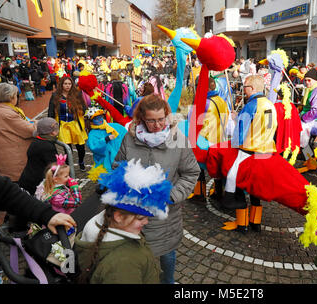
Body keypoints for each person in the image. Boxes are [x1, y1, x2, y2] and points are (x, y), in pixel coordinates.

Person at [114, 94, 200, 284]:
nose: (157, 125)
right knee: (134, 255)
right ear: (141, 119)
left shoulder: (178, 140)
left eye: (161, 119)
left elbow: (191, 173)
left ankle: (167, 281)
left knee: (167, 255)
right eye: (151, 120)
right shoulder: (129, 139)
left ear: (167, 116)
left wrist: (172, 195)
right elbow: (118, 167)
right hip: (134, 212)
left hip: (165, 215)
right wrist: (126, 187)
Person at [74, 161, 172, 284]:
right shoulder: (123, 264)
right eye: (141, 218)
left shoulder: (104, 225)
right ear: (119, 216)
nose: (146, 222)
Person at [220, 75, 278, 232]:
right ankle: (256, 222)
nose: (242, 90)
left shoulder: (251, 105)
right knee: (255, 187)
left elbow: (240, 131)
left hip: (248, 151)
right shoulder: (270, 105)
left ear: (252, 88)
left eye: (244, 87)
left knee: (236, 182)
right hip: (266, 152)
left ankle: (242, 224)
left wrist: (234, 119)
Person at [0, 167, 76, 235]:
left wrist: (46, 214)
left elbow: (3, 191)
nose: (69, 178)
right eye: (66, 176)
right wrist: (75, 188)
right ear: (56, 179)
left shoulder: (49, 188)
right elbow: (76, 202)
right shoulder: (57, 195)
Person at [0, 83, 35, 183]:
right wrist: (40, 123)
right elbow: (29, 130)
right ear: (10, 97)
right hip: (13, 160)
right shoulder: (7, 113)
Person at [48, 76, 88, 171]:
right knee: (67, 148)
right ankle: (68, 166)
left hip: (75, 124)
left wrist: (80, 110)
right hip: (62, 125)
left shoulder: (77, 94)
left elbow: (84, 108)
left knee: (81, 147)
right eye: (65, 84)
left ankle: (81, 161)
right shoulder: (55, 95)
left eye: (69, 84)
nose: (67, 86)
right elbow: (51, 112)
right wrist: (51, 125)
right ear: (61, 85)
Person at [18, 118, 59, 196]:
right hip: (37, 184)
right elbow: (54, 167)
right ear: (53, 132)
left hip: (27, 178)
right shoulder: (47, 146)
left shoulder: (36, 141)